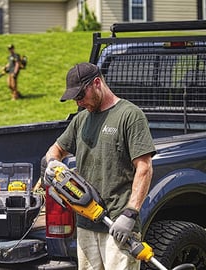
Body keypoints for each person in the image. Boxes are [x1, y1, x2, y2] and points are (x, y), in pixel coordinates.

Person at [42, 62, 156, 270]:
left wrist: (130, 213)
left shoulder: (129, 115)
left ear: (97, 83)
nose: (78, 102)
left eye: (80, 96)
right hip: (86, 223)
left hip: (118, 225)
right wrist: (52, 163)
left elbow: (144, 168)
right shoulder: (81, 119)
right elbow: (56, 149)